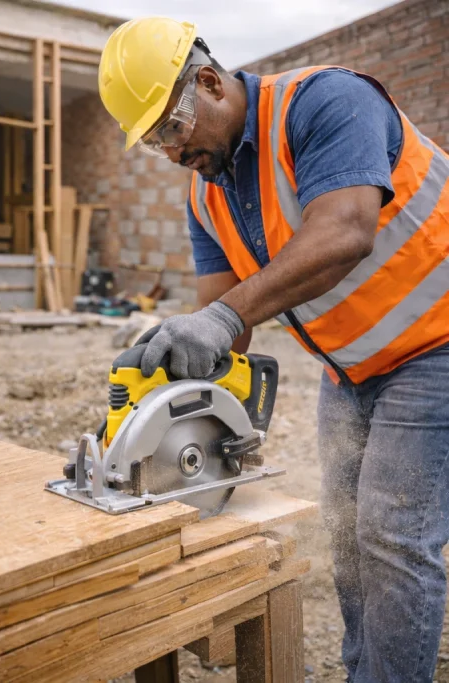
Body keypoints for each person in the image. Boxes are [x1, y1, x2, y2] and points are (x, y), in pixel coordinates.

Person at [98, 16, 449, 682]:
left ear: (208, 82)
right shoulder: (206, 195)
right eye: (154, 142)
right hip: (350, 368)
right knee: (346, 529)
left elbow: (345, 232)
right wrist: (173, 358)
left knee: (394, 536)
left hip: (438, 343)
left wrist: (222, 317)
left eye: (172, 129)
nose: (172, 152)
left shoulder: (325, 103)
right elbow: (221, 319)